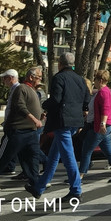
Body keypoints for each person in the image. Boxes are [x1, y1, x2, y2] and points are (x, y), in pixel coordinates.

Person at [29, 51, 90, 203]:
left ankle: (76, 190)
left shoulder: (59, 78)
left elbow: (56, 99)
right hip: (75, 121)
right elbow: (86, 99)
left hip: (62, 121)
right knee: (54, 156)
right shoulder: (80, 80)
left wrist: (44, 104)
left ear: (60, 64)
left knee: (68, 156)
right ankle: (39, 187)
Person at [0, 67, 44, 192]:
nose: (40, 80)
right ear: (31, 77)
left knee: (32, 158)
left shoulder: (32, 90)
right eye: (38, 77)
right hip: (17, 130)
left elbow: (32, 107)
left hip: (31, 131)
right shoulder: (21, 88)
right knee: (5, 156)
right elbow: (20, 106)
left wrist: (41, 115)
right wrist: (34, 119)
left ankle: (35, 183)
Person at [78, 69, 111, 182]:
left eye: (96, 79)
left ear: (101, 80)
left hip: (101, 125)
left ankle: (79, 177)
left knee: (87, 149)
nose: (94, 81)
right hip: (106, 125)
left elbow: (105, 109)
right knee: (107, 149)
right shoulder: (104, 91)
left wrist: (102, 124)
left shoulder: (103, 92)